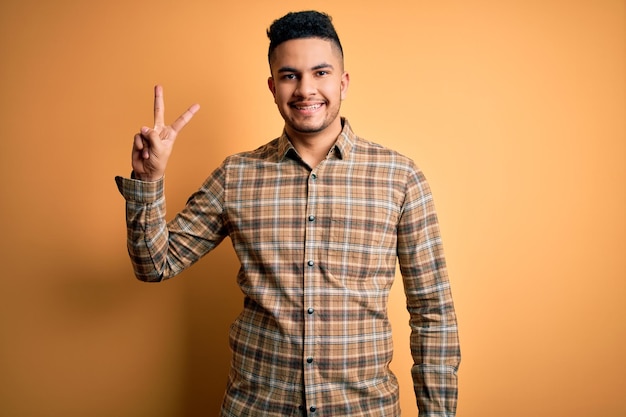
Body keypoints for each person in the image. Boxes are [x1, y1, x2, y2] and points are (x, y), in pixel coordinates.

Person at [115, 10, 460, 417]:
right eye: (290, 75)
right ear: (272, 86)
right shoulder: (236, 176)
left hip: (364, 409)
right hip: (257, 408)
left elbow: (433, 313)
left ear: (343, 82)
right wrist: (149, 180)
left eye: (320, 72)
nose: (305, 89)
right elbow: (155, 264)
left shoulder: (400, 178)